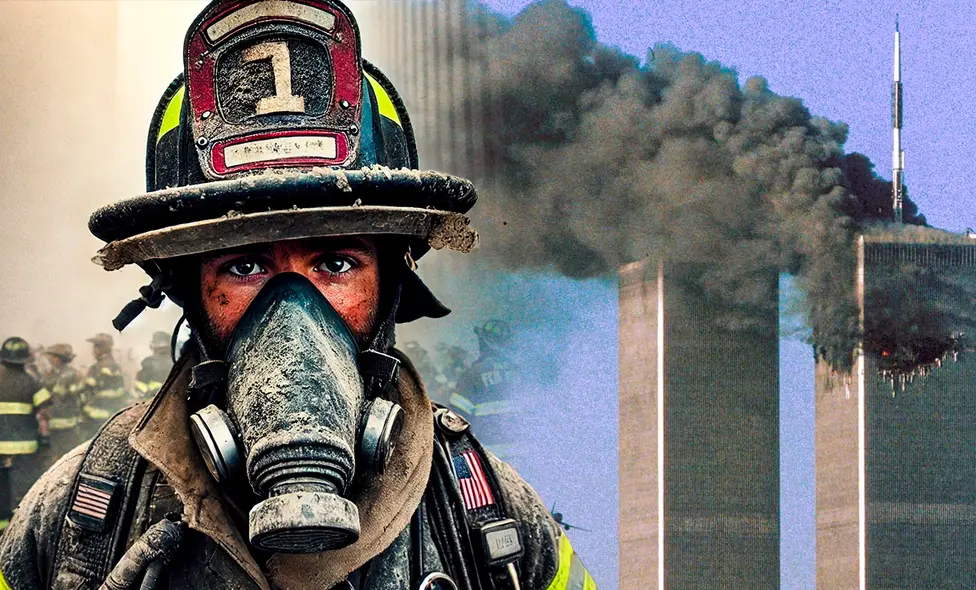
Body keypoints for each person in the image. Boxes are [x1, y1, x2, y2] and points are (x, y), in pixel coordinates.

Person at [0, 1, 596, 588]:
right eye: (244, 265)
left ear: (392, 285)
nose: (292, 318)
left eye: (336, 262)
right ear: (185, 289)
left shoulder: (495, 530)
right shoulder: (73, 521)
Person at [450, 320, 520, 461]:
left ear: (484, 342)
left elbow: (454, 421)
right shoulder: (521, 372)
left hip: (491, 456)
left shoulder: (473, 374)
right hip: (524, 454)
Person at [0, 337, 46, 534]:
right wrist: (45, 439)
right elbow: (44, 416)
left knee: (2, 489)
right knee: (25, 491)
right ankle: (21, 531)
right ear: (25, 360)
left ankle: (2, 527)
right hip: (27, 450)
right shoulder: (32, 383)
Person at [35, 343, 85, 469]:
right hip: (67, 421)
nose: (49, 361)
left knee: (61, 456)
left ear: (57, 359)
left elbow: (56, 395)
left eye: (51, 358)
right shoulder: (68, 373)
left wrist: (40, 400)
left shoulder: (65, 375)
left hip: (63, 423)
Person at [78, 333, 127, 439]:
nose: (93, 351)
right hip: (111, 415)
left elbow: (87, 388)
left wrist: (81, 378)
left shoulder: (97, 368)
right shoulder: (115, 366)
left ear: (102, 349)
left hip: (96, 418)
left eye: (96, 346)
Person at [133, 331, 173, 402]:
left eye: (165, 348)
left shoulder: (175, 360)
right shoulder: (148, 362)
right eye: (161, 348)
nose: (162, 350)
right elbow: (140, 384)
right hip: (152, 400)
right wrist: (147, 393)